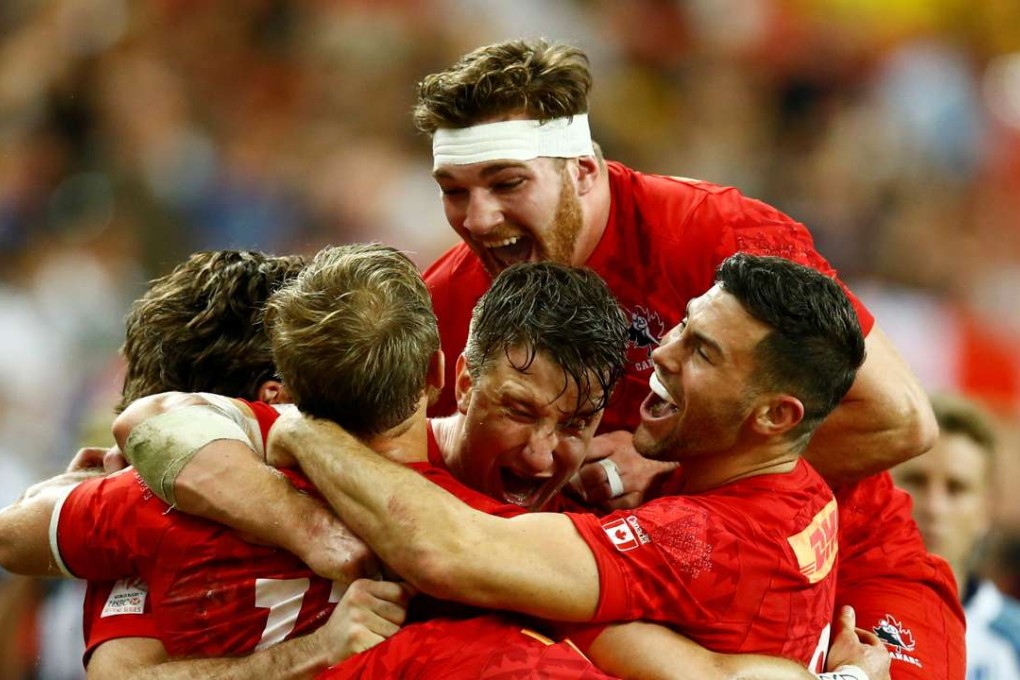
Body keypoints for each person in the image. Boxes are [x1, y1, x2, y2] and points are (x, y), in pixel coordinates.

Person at [414, 38, 962, 680]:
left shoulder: (718, 233)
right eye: (453, 191)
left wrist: (666, 469)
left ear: (583, 170)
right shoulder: (449, 300)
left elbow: (899, 421)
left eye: (507, 182)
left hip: (842, 563)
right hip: (628, 580)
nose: (479, 219)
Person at [129, 253, 882, 678]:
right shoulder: (241, 467)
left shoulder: (691, 537)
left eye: (703, 352)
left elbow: (448, 552)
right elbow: (94, 478)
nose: (663, 352)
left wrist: (305, 434)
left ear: (775, 416)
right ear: (453, 378)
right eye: (682, 326)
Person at [0, 250, 397, 679]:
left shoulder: (145, 503)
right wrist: (317, 647)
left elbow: (15, 533)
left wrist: (85, 485)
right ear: (275, 395)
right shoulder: (397, 468)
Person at [892, 393, 1020, 680]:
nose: (934, 507)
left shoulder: (1013, 642)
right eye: (916, 481)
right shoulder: (840, 619)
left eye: (956, 488)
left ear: (987, 509)